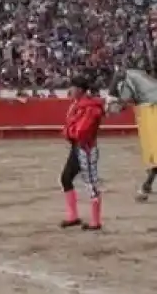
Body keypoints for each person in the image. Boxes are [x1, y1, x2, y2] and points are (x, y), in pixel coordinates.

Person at [60, 74, 106, 230]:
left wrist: (68, 132)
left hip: (86, 148)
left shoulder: (90, 108)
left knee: (91, 183)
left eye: (72, 87)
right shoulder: (78, 104)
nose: (69, 90)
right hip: (77, 147)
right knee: (66, 178)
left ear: (79, 89)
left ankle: (96, 221)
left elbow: (81, 131)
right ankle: (73, 217)